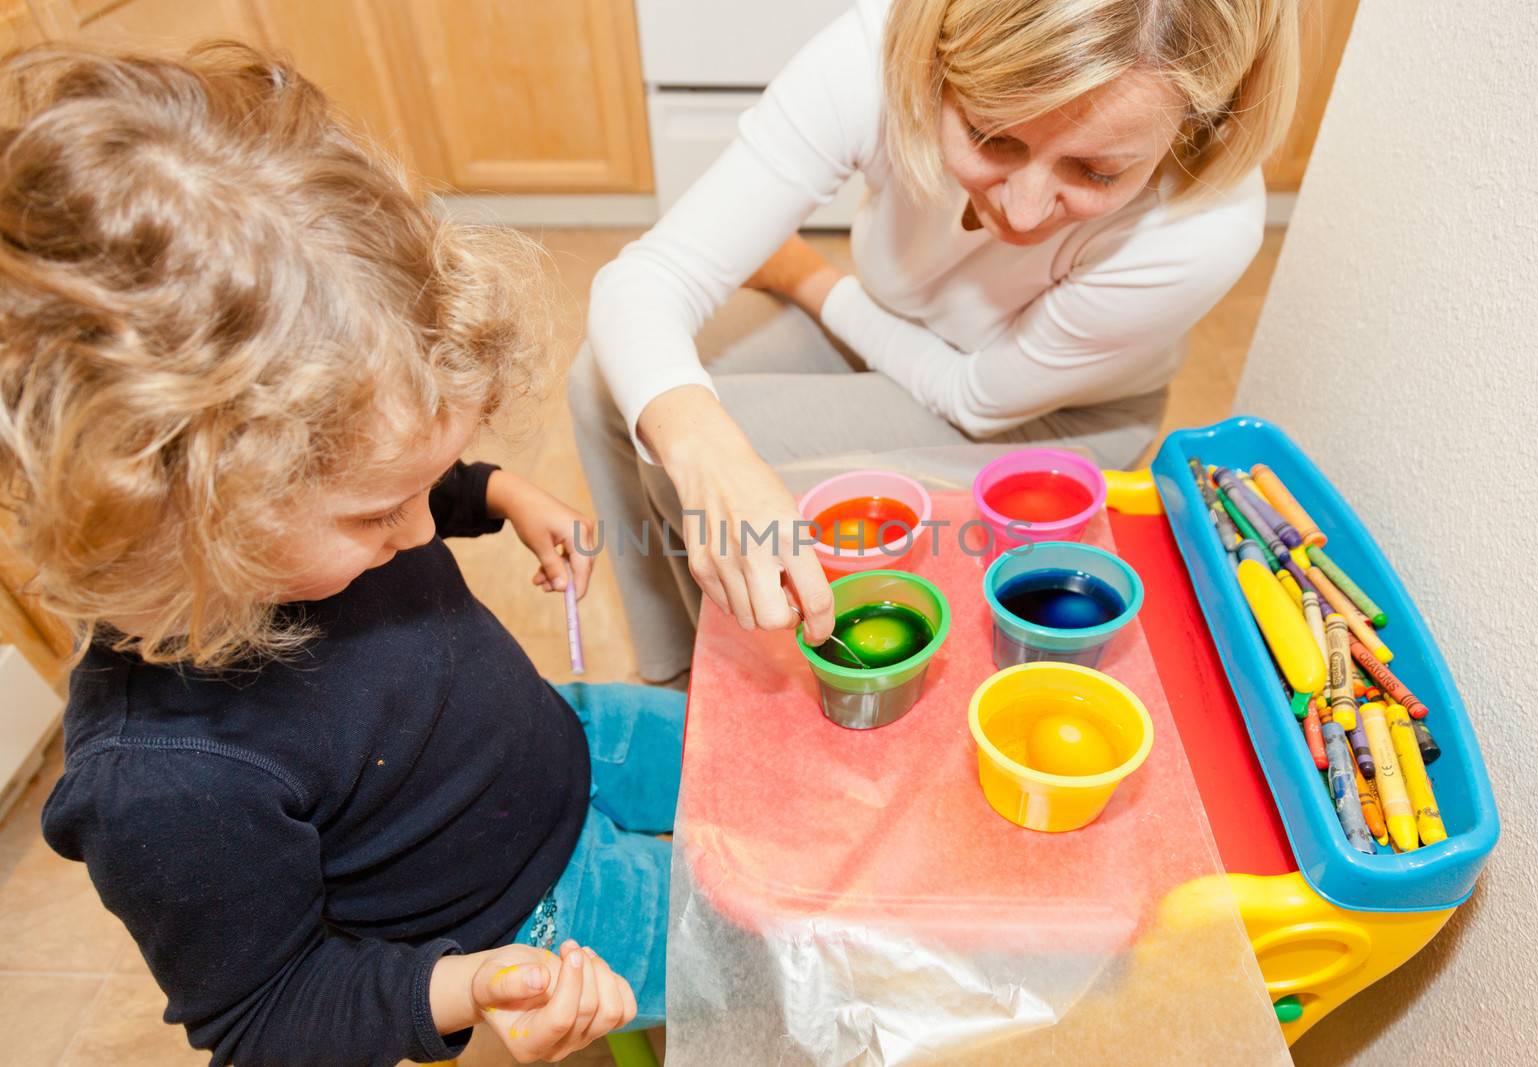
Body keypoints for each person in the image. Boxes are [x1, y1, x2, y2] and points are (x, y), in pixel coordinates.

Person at [0, 44, 677, 1066]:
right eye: (377, 514)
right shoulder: (164, 786)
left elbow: (380, 472)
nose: (414, 533)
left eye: (422, 488)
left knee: (754, 760)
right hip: (521, 909)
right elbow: (265, 1016)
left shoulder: (302, 505)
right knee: (762, 924)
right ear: (192, 518)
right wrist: (468, 982)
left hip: (557, 740)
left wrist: (490, 490)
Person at [570, 0, 1298, 682]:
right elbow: (650, 277)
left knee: (742, 495)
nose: (1024, 208)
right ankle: (678, 679)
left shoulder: (1204, 224)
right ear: (940, 65)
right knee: (623, 394)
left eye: (1097, 171)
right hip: (897, 328)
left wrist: (810, 281)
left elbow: (974, 398)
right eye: (993, 135)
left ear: (1193, 128)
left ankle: (730, 693)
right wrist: (705, 445)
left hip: (1038, 416)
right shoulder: (877, 54)